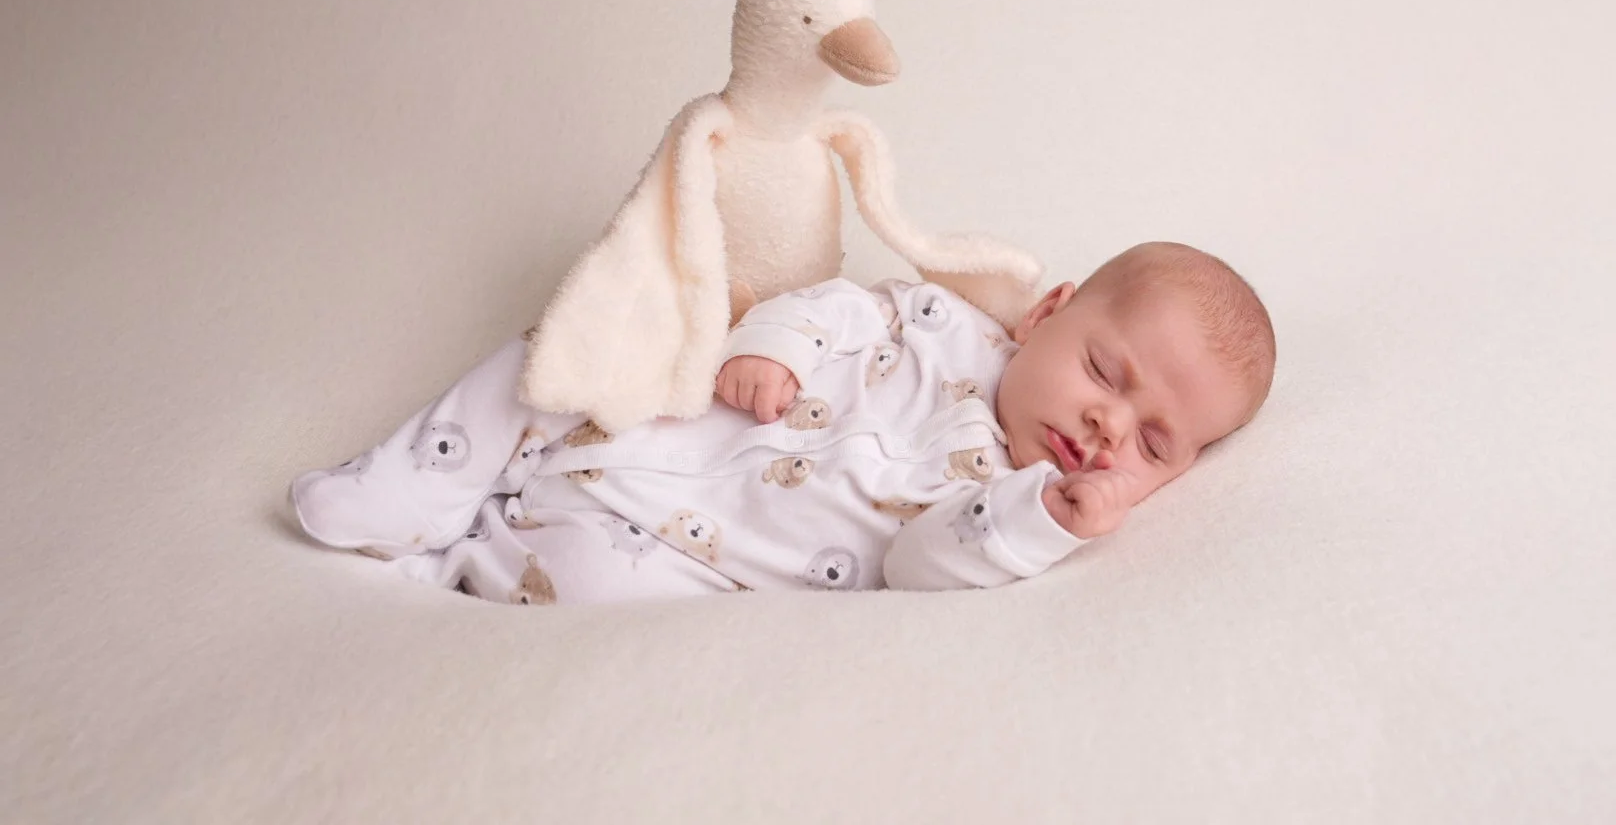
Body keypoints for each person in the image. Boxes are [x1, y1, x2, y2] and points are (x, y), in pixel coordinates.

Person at [290, 242, 1275, 605]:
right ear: (1049, 313)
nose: (1108, 428)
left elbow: (917, 569)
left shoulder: (1005, 507)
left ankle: (451, 571)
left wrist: (1048, 517)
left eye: (1153, 444)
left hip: (676, 552)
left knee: (591, 589)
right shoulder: (944, 326)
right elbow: (845, 304)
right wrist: (777, 346)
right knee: (571, 348)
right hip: (664, 418)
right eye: (1108, 373)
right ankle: (421, 480)